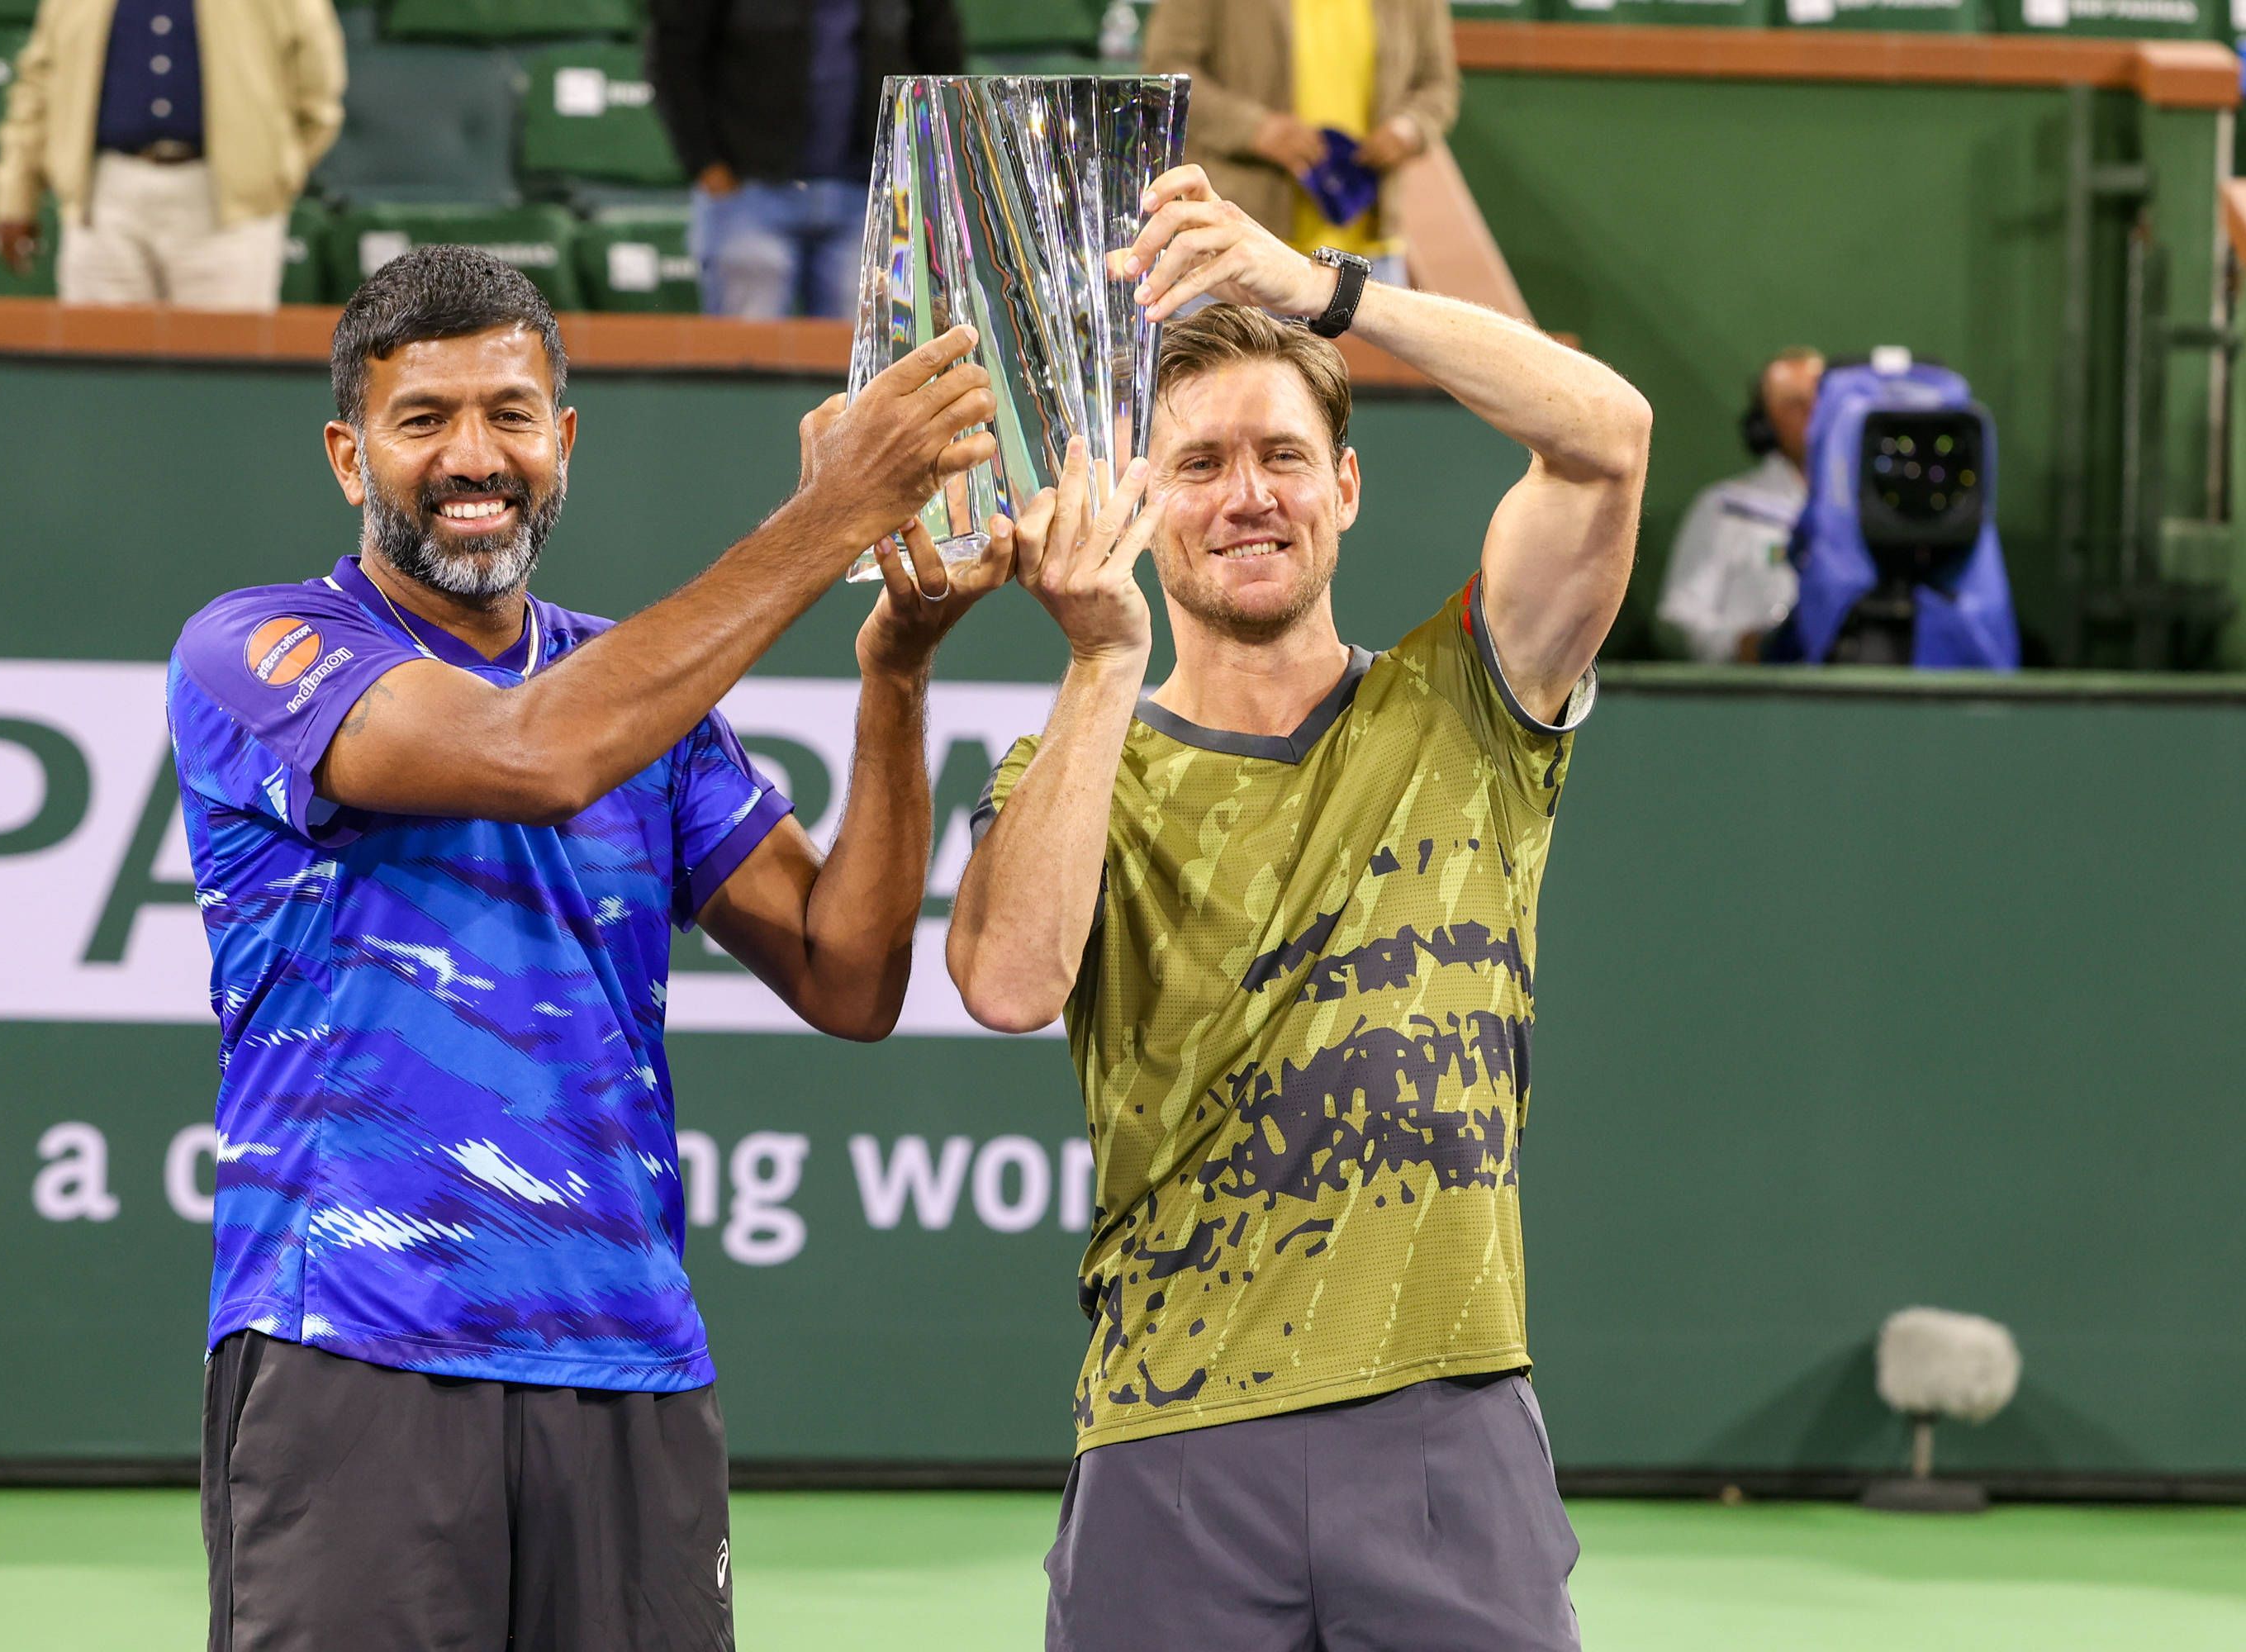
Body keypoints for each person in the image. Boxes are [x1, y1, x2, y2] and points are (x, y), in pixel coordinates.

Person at [170, 245, 1005, 1650]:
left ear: (563, 441)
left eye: (507, 413)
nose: (470, 457)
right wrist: (828, 515)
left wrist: (896, 676)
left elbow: (848, 974)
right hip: (355, 1354)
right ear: (347, 454)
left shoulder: (638, 689)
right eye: (422, 419)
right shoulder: (255, 649)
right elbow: (534, 752)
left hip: (631, 1365)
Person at [947, 169, 1647, 1651]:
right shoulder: (1079, 760)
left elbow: (1609, 441)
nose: (1246, 495)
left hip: (1447, 1424)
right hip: (1171, 1436)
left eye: (1282, 454)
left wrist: (1324, 289)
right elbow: (1010, 981)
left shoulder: (1471, 694)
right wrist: (1096, 663)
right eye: (1198, 464)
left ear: (1345, 484)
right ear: (1142, 496)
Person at [0, 0, 344, 311]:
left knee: (226, 370)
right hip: (103, 196)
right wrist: (16, 191)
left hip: (227, 203)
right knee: (99, 370)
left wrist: (272, 173)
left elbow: (317, 91)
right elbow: (38, 85)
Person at [648, 0, 963, 320]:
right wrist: (705, 163)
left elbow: (940, 60)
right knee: (747, 356)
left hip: (871, 197)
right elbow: (674, 56)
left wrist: (916, 167)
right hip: (748, 194)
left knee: (865, 358)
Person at [1144, 0, 1460, 290]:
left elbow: (1438, 85)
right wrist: (1255, 130)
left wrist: (1410, 128)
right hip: (1238, 247)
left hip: (1371, 252)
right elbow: (1166, 69)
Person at [1658, 347, 1823, 663]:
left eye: (1820, 401)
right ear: (1763, 423)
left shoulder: (1864, 514)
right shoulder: (1726, 508)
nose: (1812, 412)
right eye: (1794, 404)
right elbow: (1676, 620)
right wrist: (1740, 646)